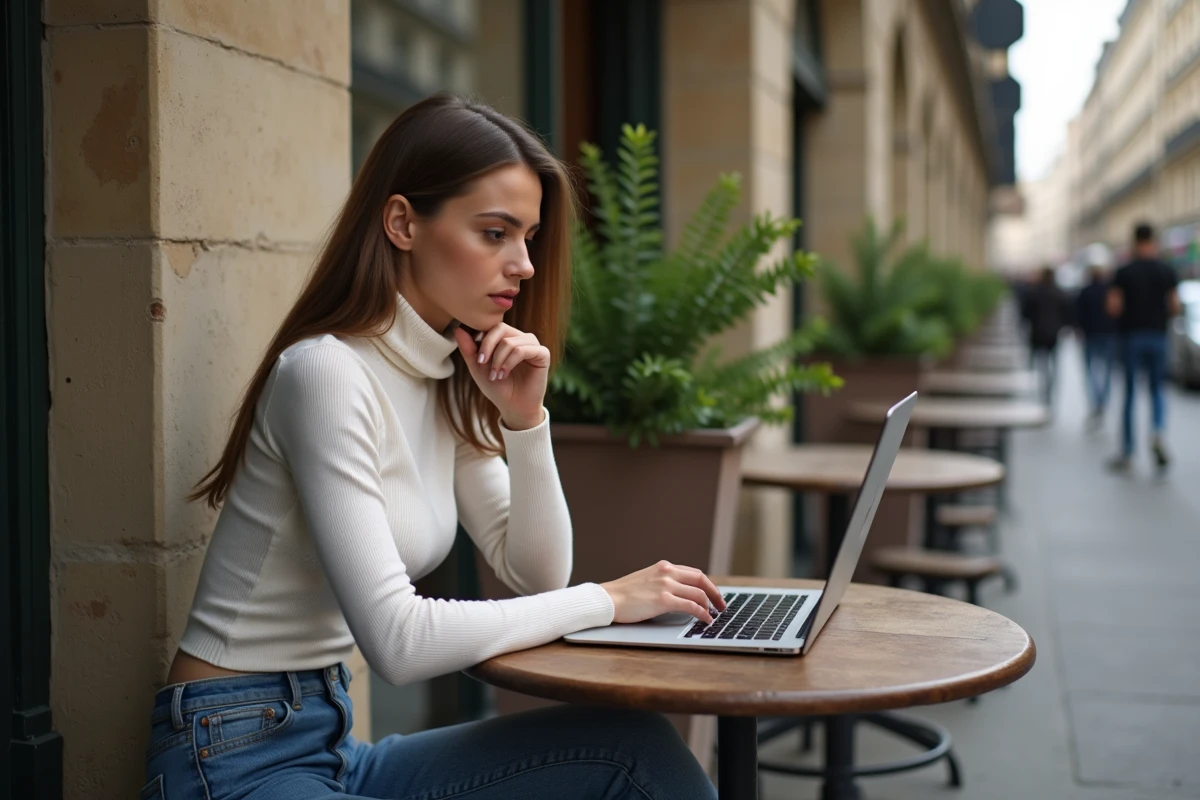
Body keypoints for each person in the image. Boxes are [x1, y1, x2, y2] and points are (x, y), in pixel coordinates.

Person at [143, 94, 723, 800]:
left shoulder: (447, 373)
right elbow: (397, 640)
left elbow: (536, 572)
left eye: (529, 237)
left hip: (329, 742)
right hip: (231, 755)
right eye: (494, 233)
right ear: (402, 223)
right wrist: (607, 600)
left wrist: (524, 422)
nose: (525, 265)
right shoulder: (327, 373)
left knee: (635, 749)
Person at [1107, 222, 1182, 471]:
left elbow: (1113, 307)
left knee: (1129, 394)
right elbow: (1175, 306)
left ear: (1134, 241)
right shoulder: (1166, 270)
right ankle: (1158, 431)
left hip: (1131, 337)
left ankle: (1128, 452)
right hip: (1158, 336)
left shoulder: (1124, 271)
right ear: (1154, 240)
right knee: (1157, 390)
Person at [1021, 266, 1072, 409]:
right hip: (1053, 334)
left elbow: (1025, 313)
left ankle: (1040, 387)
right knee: (1053, 363)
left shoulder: (1034, 292)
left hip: (1037, 332)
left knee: (1038, 362)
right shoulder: (1059, 293)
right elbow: (1067, 313)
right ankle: (1049, 388)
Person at [1075, 264, 1117, 428]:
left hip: (1091, 335)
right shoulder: (1108, 290)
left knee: (1091, 371)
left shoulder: (1085, 291)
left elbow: (1078, 314)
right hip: (1107, 334)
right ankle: (1103, 399)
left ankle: (1096, 400)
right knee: (1106, 370)